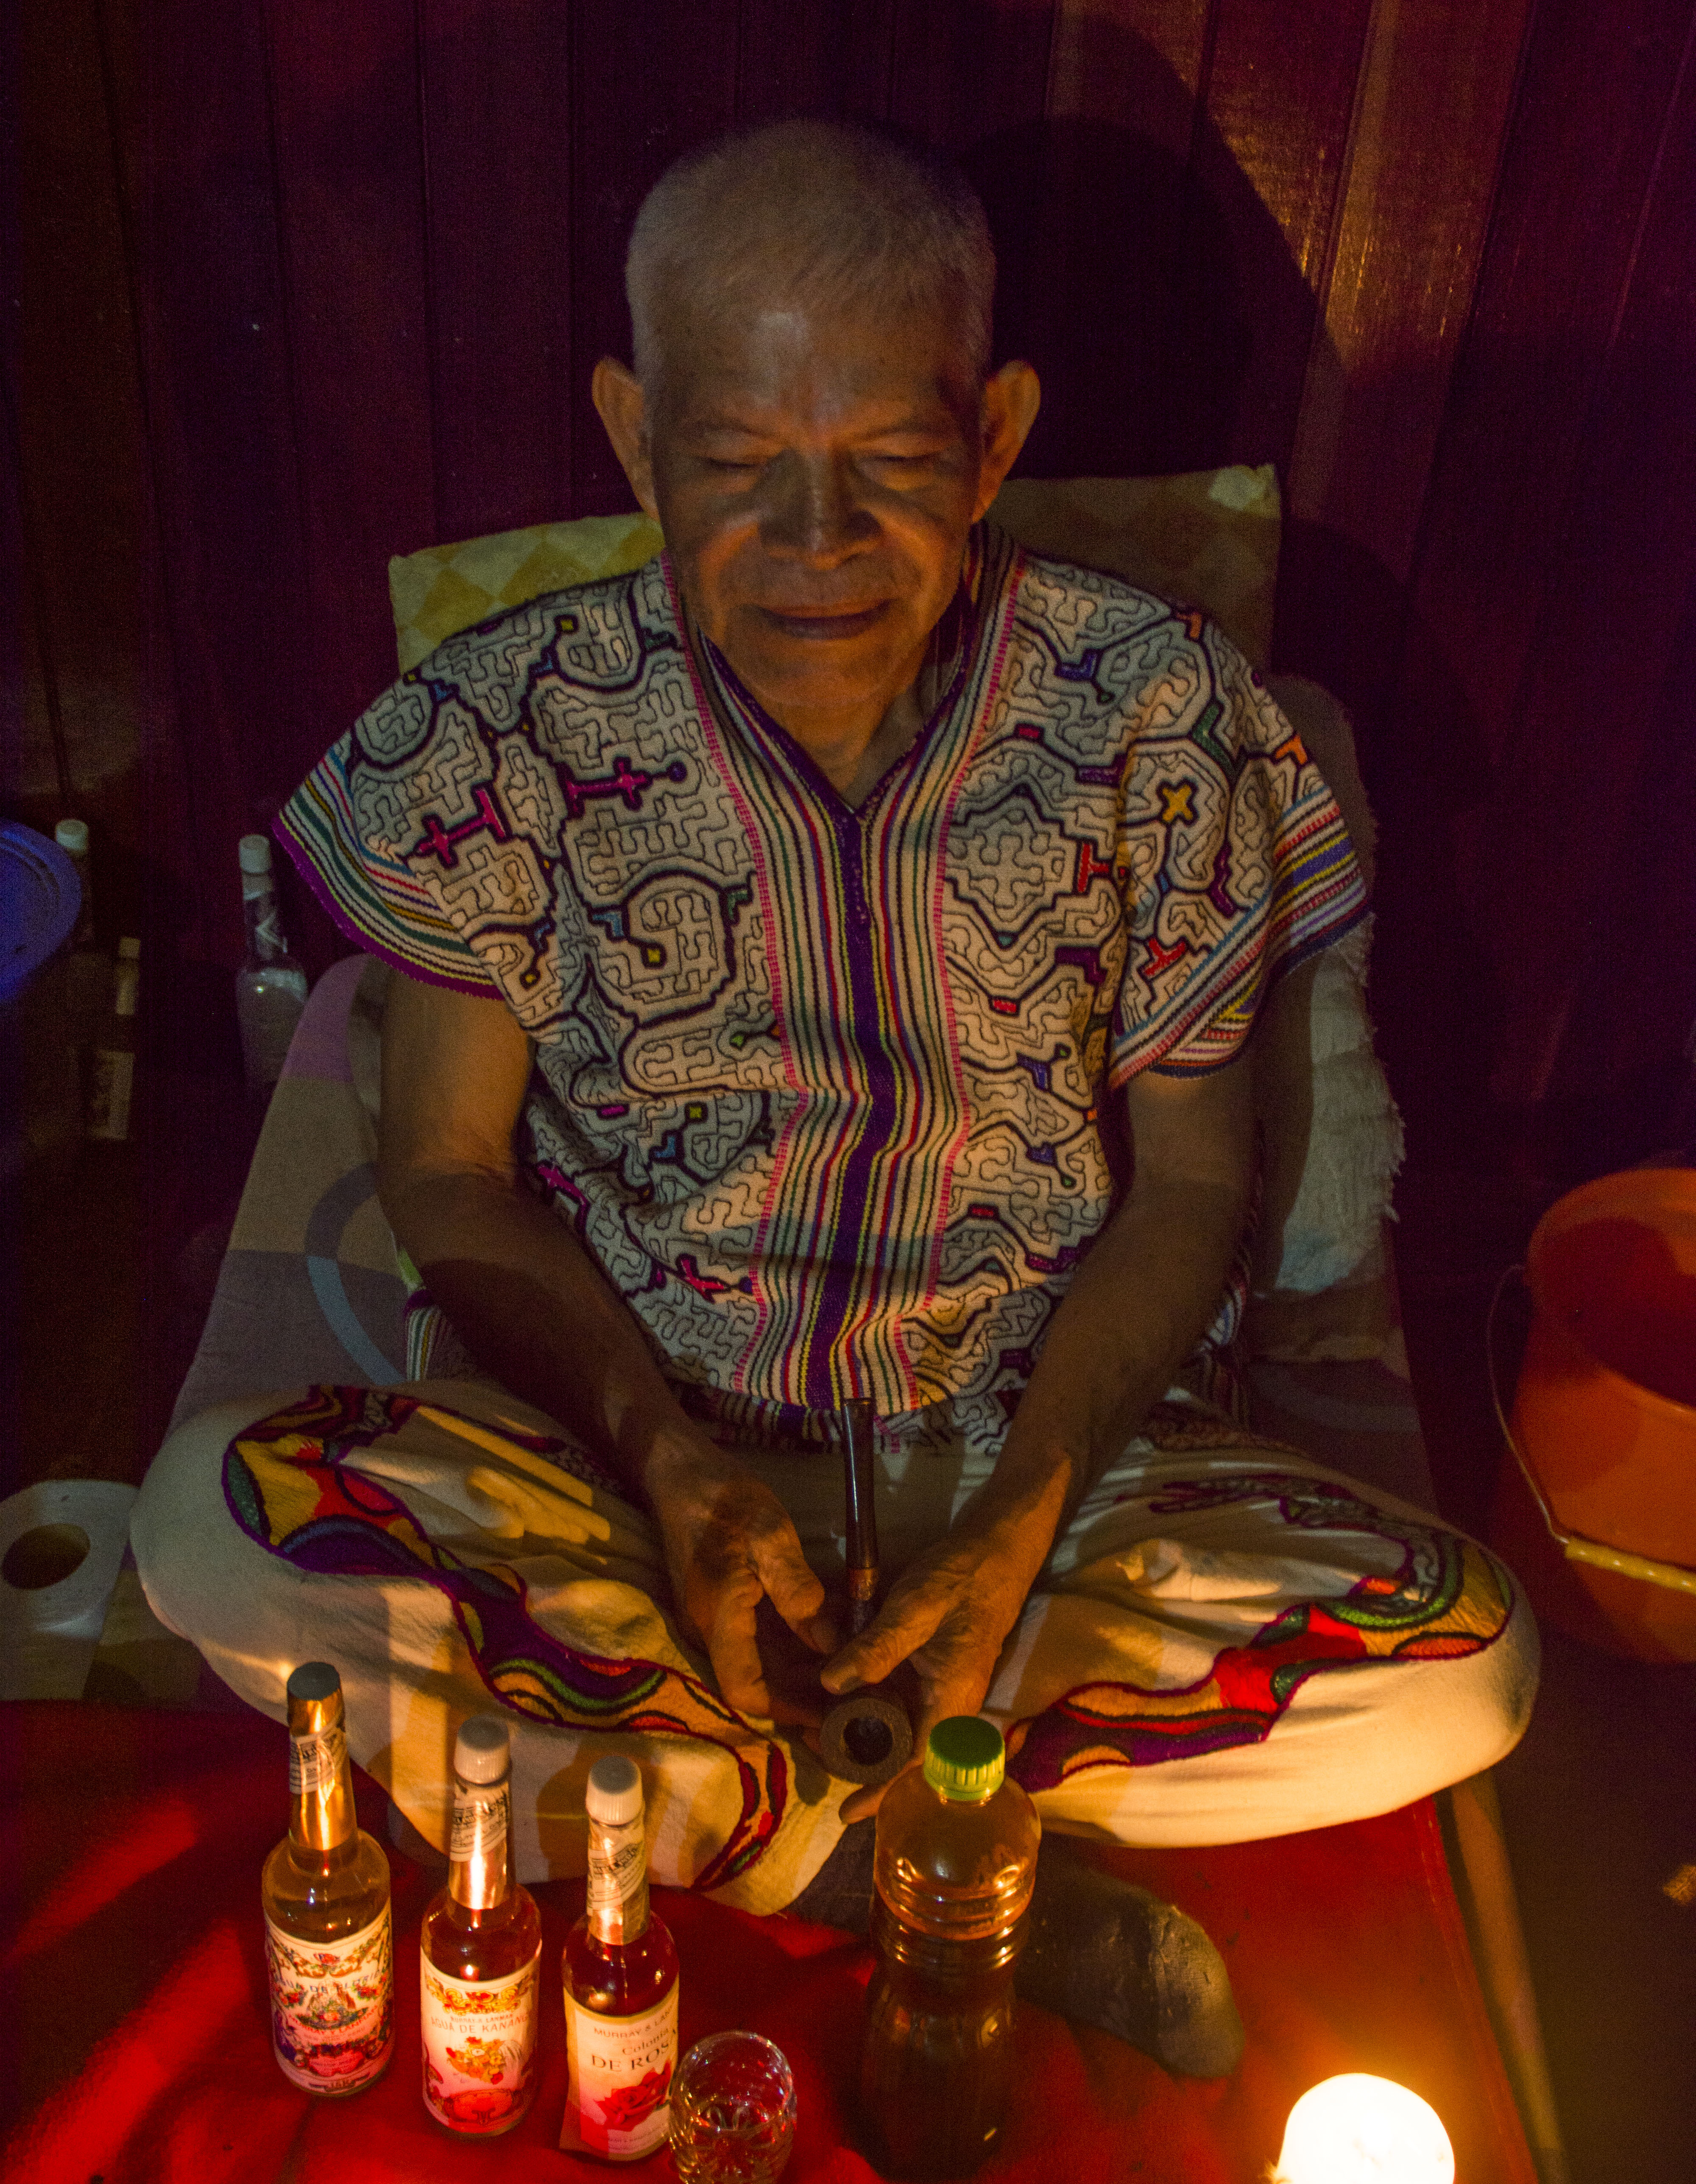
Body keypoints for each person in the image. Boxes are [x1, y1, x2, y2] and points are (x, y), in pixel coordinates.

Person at [132, 122, 1537, 1962]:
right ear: (636, 437)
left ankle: (708, 1802)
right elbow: (445, 1168)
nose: (817, 546)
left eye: (888, 461)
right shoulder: (498, 727)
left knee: (1463, 1660)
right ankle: (906, 1835)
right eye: (736, 465)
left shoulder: (1160, 712)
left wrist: (1021, 1509)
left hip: (1038, 1484)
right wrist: (660, 1458)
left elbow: (1195, 1183)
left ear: (997, 438)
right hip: (627, 1488)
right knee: (210, 1524)